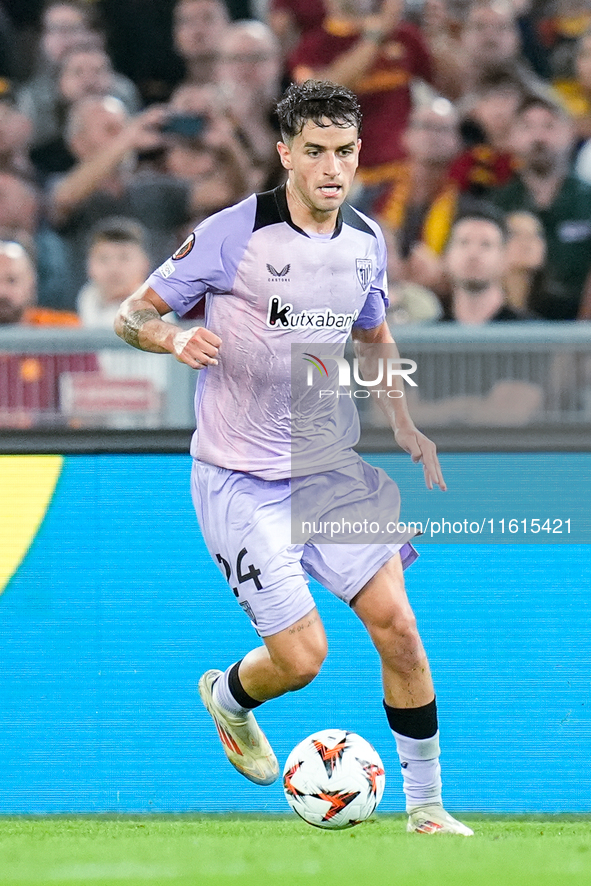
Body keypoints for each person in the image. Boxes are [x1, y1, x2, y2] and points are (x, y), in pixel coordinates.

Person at [114, 79, 474, 836]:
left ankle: (428, 809)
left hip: (325, 470)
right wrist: (176, 338)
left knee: (399, 630)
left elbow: (374, 335)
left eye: (344, 151)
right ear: (285, 154)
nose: (330, 168)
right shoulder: (232, 234)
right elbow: (132, 313)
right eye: (314, 152)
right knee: (303, 657)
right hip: (237, 480)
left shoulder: (365, 244)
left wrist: (405, 426)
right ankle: (229, 699)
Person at [405, 209, 544, 427]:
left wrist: (439, 412)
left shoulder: (528, 333)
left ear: (505, 258)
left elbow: (512, 414)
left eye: (486, 245)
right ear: (446, 256)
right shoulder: (424, 338)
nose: (473, 253)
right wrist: (469, 408)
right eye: (463, 243)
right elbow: (395, 418)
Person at [490, 92, 591, 320]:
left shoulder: (588, 200)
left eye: (549, 126)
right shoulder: (496, 205)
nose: (538, 136)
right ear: (511, 138)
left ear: (570, 134)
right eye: (526, 127)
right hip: (511, 327)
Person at [0, 239, 97, 426]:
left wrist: (38, 424)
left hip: (49, 449)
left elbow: (89, 414)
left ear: (31, 284)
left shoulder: (64, 333)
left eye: (12, 280)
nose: (2, 291)